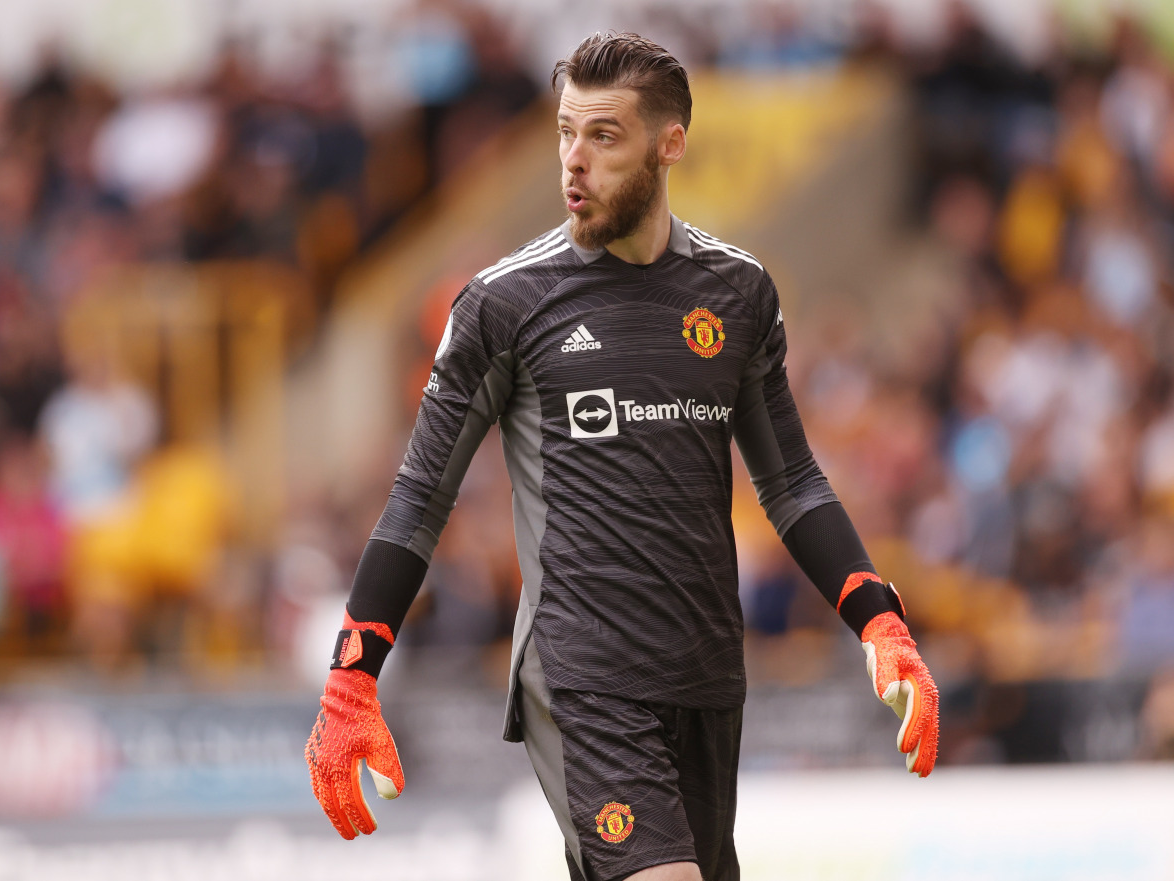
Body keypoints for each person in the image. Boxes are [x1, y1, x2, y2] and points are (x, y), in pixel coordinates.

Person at [305, 32, 939, 881]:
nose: (575, 159)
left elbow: (791, 481)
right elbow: (420, 498)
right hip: (583, 675)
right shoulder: (504, 304)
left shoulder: (737, 292)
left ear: (669, 144)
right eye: (566, 132)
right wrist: (352, 676)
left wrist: (879, 620)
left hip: (706, 673)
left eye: (603, 136)